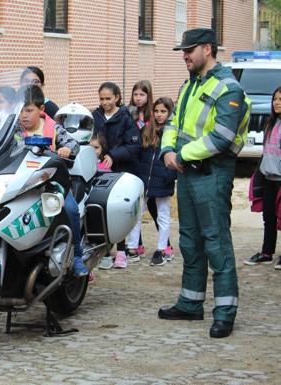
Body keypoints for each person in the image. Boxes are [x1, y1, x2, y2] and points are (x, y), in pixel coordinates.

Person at [159, 28, 251, 338]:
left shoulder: (228, 88)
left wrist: (180, 154)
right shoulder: (190, 84)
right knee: (189, 241)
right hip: (187, 172)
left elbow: (222, 137)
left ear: (207, 49)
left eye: (189, 50)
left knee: (216, 242)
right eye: (183, 50)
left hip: (211, 173)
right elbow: (174, 122)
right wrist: (168, 150)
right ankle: (190, 302)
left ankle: (225, 312)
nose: (184, 55)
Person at [18, 85, 87, 277]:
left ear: (41, 111)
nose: (24, 115)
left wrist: (67, 150)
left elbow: (73, 145)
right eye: (21, 110)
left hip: (53, 185)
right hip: (21, 185)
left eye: (29, 110)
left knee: (71, 209)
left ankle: (78, 255)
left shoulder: (53, 128)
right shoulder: (14, 130)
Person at [92, 81, 141, 269]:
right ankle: (104, 252)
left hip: (121, 170)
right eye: (101, 99)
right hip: (99, 169)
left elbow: (134, 145)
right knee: (100, 209)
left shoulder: (125, 118)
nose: (104, 102)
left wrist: (113, 155)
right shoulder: (95, 116)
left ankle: (121, 250)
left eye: (108, 99)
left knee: (117, 210)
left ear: (117, 98)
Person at [126, 97, 177, 267]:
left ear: (170, 113)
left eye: (163, 111)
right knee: (137, 213)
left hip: (162, 179)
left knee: (163, 215)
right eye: (156, 111)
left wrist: (169, 176)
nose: (159, 115)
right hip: (144, 180)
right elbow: (140, 155)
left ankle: (162, 248)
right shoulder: (146, 131)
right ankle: (133, 247)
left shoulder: (174, 133)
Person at [244, 86, 281, 270]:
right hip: (268, 178)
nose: (277, 102)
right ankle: (267, 252)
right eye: (275, 99)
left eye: (280, 99)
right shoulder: (270, 123)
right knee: (269, 217)